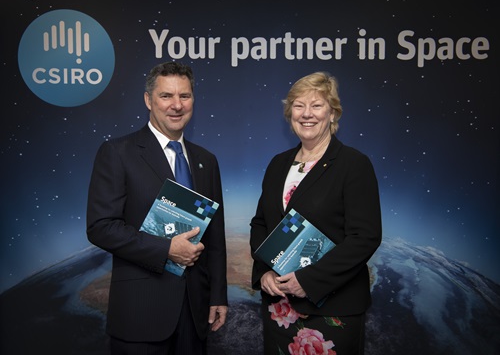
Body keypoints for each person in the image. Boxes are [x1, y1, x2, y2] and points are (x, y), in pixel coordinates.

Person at [86, 61, 228, 355]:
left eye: (184, 96)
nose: (176, 105)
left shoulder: (206, 160)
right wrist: (166, 250)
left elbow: (215, 238)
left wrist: (218, 296)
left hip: (195, 313)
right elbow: (101, 227)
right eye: (166, 96)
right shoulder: (117, 153)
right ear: (148, 100)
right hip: (141, 315)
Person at [250, 72, 382, 355]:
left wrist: (308, 281)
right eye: (298, 105)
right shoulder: (278, 164)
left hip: (333, 309)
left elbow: (365, 237)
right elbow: (261, 223)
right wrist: (264, 272)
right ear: (289, 114)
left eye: (317, 105)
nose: (307, 114)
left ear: (333, 113)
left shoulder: (353, 164)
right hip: (280, 307)